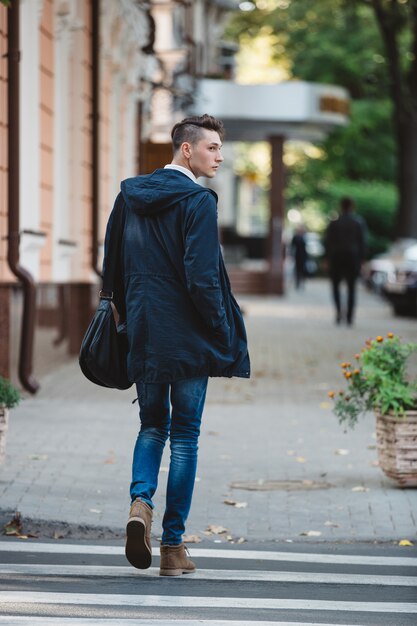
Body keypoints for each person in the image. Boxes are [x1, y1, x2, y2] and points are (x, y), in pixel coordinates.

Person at [102, 114, 250, 577]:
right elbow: (202, 277)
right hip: (188, 336)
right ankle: (172, 547)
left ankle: (139, 504)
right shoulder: (198, 202)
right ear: (186, 150)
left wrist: (132, 318)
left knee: (151, 427)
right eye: (211, 148)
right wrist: (222, 331)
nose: (219, 156)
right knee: (185, 436)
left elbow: (112, 266)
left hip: (146, 332)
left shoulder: (129, 197)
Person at [325, 196, 367, 325]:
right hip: (353, 258)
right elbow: (362, 242)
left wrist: (326, 258)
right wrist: (362, 259)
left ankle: (338, 313)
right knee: (352, 288)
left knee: (336, 287)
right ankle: (349, 317)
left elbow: (328, 242)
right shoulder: (358, 222)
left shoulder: (334, 223)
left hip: (336, 257)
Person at [291, 225, 308, 289]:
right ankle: (297, 283)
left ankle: (302, 283)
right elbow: (292, 246)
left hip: (303, 256)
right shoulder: (296, 237)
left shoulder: (304, 237)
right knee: (297, 270)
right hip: (297, 256)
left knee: (303, 270)